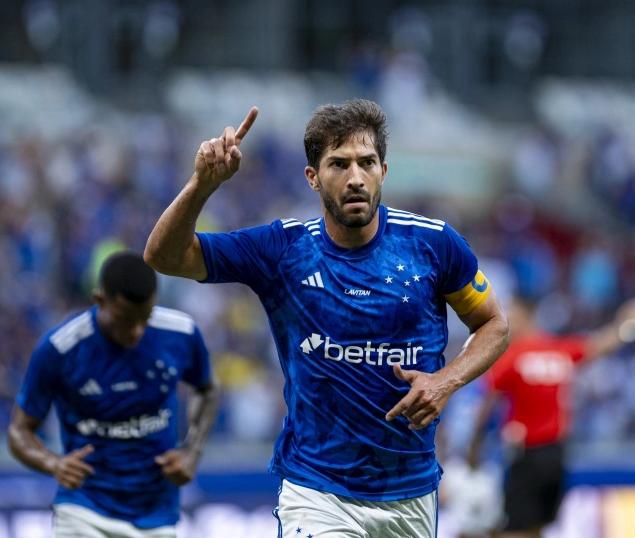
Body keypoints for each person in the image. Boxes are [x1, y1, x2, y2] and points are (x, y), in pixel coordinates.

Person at [144, 99, 510, 538]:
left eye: (366, 163)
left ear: (383, 171)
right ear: (312, 177)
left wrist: (446, 381)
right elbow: (164, 256)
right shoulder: (284, 249)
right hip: (317, 492)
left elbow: (494, 325)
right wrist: (202, 184)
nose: (355, 178)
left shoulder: (434, 245)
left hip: (410, 492)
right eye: (339, 164)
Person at [7, 250, 220, 538]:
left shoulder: (181, 333)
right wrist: (54, 463)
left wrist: (192, 451)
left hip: (156, 514)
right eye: (126, 319)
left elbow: (207, 389)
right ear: (99, 301)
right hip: (85, 510)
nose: (136, 330)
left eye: (145, 318)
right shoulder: (60, 348)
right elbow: (19, 431)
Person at [466, 292, 635, 538]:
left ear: (525, 316)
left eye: (510, 313)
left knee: (515, 530)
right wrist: (631, 322)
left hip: (526, 454)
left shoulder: (511, 357)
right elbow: (603, 344)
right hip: (556, 455)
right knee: (538, 528)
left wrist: (474, 447)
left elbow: (485, 407)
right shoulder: (559, 350)